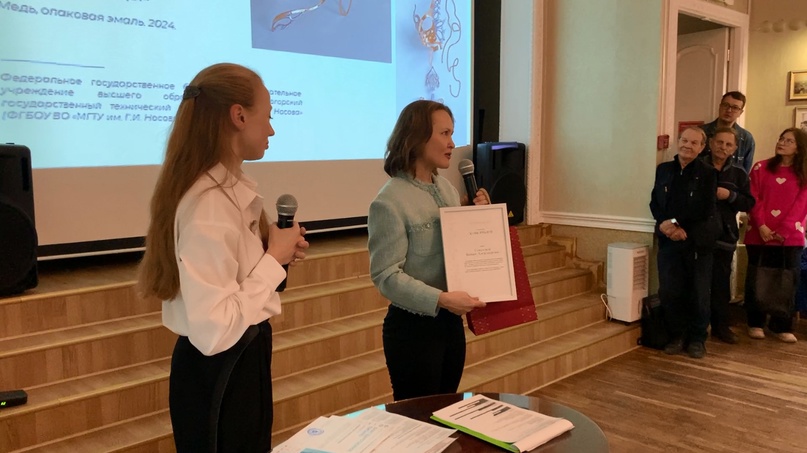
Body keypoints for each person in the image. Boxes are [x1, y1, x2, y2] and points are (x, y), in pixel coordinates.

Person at [137, 63, 309, 452]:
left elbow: (237, 286)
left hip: (242, 361)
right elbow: (215, 330)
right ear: (238, 116)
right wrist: (272, 260)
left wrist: (275, 255)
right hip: (220, 372)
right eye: (268, 117)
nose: (271, 130)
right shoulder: (209, 205)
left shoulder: (228, 190)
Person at [368, 100, 489, 401]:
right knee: (417, 421)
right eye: (445, 134)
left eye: (452, 134)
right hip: (412, 331)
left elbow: (456, 251)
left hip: (450, 324)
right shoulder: (389, 201)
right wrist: (441, 298)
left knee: (448, 410)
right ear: (418, 137)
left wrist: (479, 218)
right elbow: (386, 276)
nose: (452, 144)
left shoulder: (447, 190)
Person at [650, 127, 719, 359]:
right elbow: (655, 201)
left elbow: (704, 208)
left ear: (702, 148)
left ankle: (697, 339)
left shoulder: (708, 173)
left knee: (698, 293)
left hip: (696, 241)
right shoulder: (663, 169)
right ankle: (676, 335)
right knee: (670, 291)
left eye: (694, 143)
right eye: (684, 140)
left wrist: (676, 223)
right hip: (668, 240)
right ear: (678, 142)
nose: (687, 146)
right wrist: (664, 224)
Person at [743, 128, 807, 343]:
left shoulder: (804, 173)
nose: (782, 143)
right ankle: (755, 322)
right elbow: (753, 197)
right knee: (757, 278)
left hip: (790, 237)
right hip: (758, 234)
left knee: (786, 281)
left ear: (799, 148)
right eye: (781, 139)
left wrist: (784, 230)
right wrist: (761, 226)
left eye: (789, 141)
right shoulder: (760, 168)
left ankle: (781, 326)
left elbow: (802, 204)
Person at [700, 127, 755, 344]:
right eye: (720, 142)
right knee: (697, 283)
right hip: (698, 236)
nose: (723, 147)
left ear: (734, 149)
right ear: (711, 143)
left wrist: (730, 195)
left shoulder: (739, 173)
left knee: (721, 284)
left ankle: (721, 327)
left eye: (728, 144)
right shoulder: (697, 166)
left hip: (725, 235)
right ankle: (696, 329)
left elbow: (748, 203)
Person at [700, 91, 756, 173]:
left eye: (735, 108)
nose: (729, 110)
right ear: (720, 106)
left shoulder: (746, 138)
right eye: (726, 105)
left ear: (740, 112)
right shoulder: (701, 133)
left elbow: (745, 172)